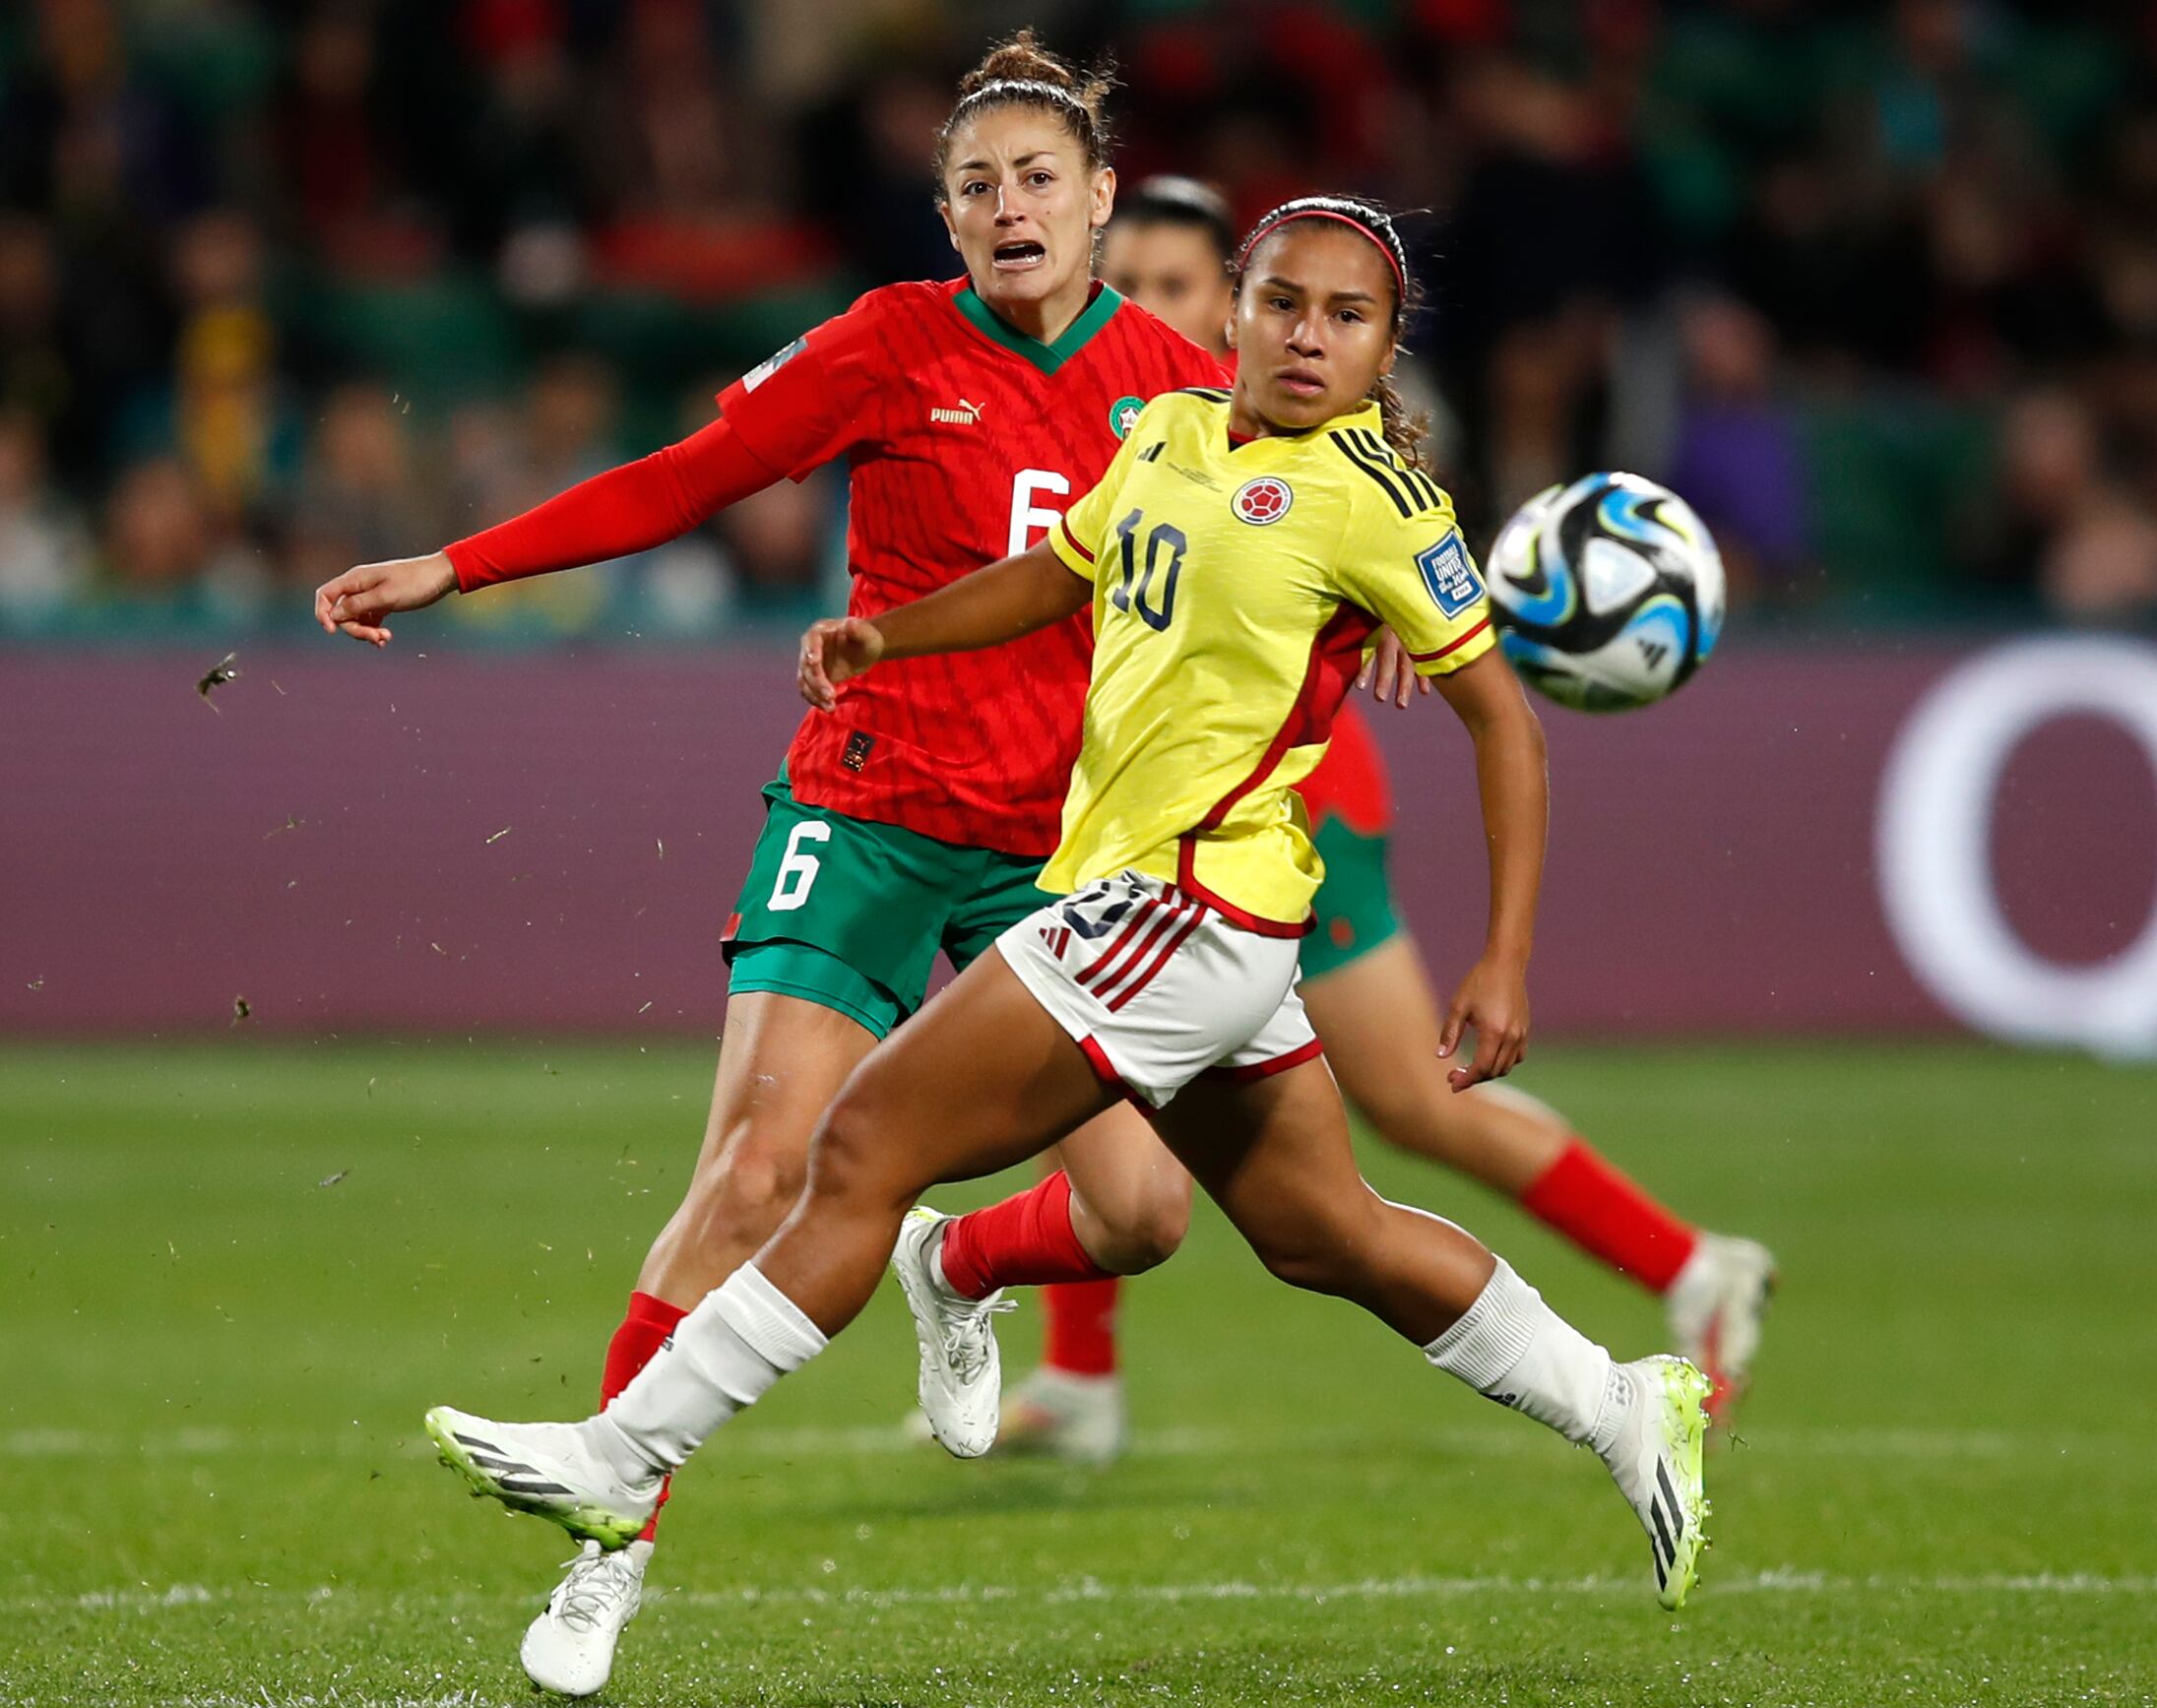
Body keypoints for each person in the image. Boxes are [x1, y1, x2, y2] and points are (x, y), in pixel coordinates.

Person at [423, 197, 1716, 1629]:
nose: (1309, 337)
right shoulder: (1168, 432)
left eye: (1348, 318)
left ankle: (621, 1460)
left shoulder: (1380, 504)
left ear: (1386, 347)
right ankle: (1621, 1404)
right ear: (1234, 310)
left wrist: (1505, 959)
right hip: (1163, 911)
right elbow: (1060, 575)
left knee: (859, 1148)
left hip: (1188, 910)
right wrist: (890, 634)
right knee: (1325, 1234)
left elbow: (1506, 726)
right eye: (1285, 303)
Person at [311, 33, 1224, 1696]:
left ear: (1101, 198)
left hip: (1057, 849)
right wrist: (459, 565)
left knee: (1146, 1212)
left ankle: (952, 1263)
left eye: (1039, 179)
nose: (1009, 208)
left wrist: (1401, 621)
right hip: (868, 810)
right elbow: (689, 478)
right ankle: (609, 1548)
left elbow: (1290, 543)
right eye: (976, 186)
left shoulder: (1179, 388)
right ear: (944, 216)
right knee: (752, 1177)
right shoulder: (889, 343)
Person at [971, 177, 1775, 1464]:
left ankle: (1686, 1265)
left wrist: (1393, 607)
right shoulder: (1129, 416)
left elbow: (1384, 482)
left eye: (1177, 285)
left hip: (1278, 810)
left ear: (1223, 302)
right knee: (1108, 1053)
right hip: (1145, 801)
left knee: (1401, 1094)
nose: (1148, 309)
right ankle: (1079, 1373)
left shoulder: (1275, 417)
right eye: (1132, 285)